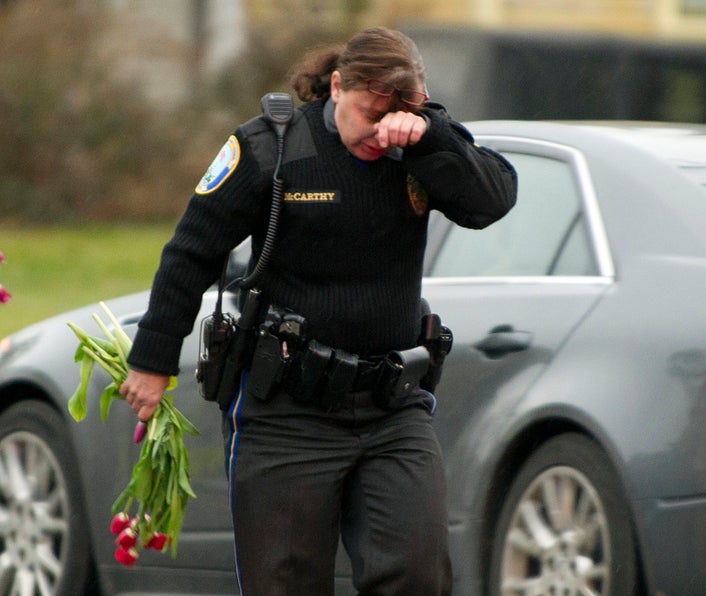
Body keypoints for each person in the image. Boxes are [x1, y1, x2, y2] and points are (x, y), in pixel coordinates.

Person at [120, 26, 517, 595]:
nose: (378, 132)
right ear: (335, 86)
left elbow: (494, 200)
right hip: (287, 413)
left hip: (391, 409)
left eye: (393, 117)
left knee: (418, 576)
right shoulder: (271, 147)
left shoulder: (421, 146)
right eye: (366, 112)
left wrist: (430, 138)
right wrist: (153, 360)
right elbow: (190, 252)